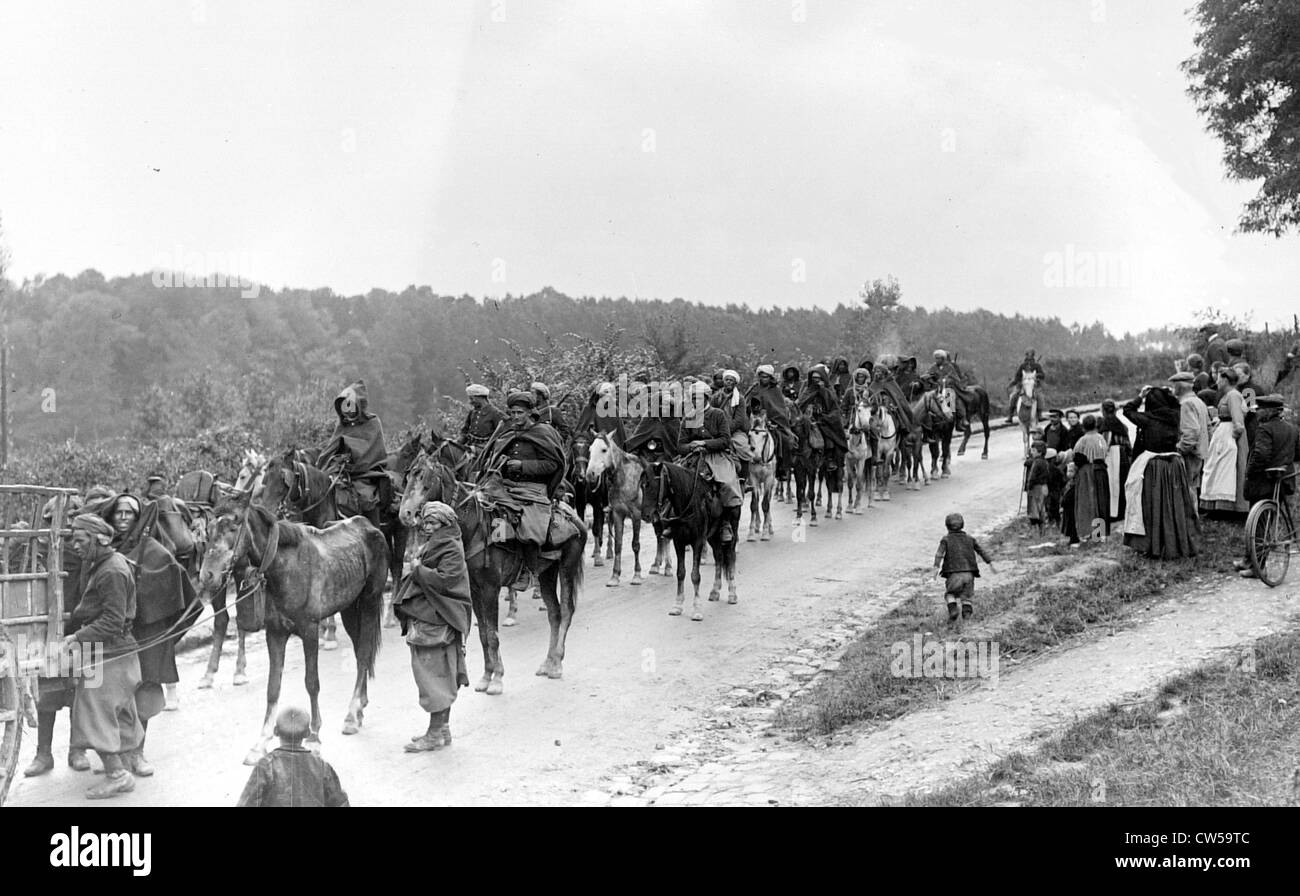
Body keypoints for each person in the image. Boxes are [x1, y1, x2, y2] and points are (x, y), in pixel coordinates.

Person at [101, 493, 201, 776]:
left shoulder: (157, 553)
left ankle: (138, 753)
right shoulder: (105, 548)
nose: (122, 518)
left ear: (138, 517)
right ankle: (117, 753)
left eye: (128, 514)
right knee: (114, 695)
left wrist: (165, 635)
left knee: (144, 694)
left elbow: (185, 601)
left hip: (148, 636)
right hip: (115, 636)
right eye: (117, 513)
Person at [64, 513, 143, 799]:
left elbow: (112, 621)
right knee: (117, 710)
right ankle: (119, 765)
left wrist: (76, 637)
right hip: (116, 651)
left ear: (99, 539)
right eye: (73, 539)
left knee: (92, 707)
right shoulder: (104, 564)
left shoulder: (111, 571)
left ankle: (117, 775)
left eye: (80, 539)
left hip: (113, 652)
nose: (75, 545)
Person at [393, 501, 471, 749]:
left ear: (445, 524)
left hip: (438, 617)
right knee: (440, 673)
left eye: (432, 522)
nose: (426, 527)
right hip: (437, 615)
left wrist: (418, 570)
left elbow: (447, 581)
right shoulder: (440, 542)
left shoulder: (449, 547)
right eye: (425, 522)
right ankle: (442, 729)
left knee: (433, 675)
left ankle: (434, 734)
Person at [24, 497, 89, 777]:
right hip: (45, 633)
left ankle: (78, 749)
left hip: (80, 629)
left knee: (81, 692)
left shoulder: (87, 552)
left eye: (73, 519)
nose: (68, 525)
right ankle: (43, 753)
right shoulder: (37, 552)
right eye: (61, 520)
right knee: (47, 694)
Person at [478, 391, 567, 591]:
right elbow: (494, 458)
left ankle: (529, 570)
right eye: (512, 412)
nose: (515, 416)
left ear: (529, 412)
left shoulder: (543, 433)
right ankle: (498, 560)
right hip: (507, 488)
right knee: (493, 515)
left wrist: (523, 465)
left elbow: (553, 465)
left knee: (528, 525)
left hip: (533, 489)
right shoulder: (508, 433)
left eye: (519, 412)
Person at [1121, 386, 1200, 560]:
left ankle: (1154, 544)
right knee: (1174, 505)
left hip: (1154, 466)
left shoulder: (1147, 419)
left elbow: (1127, 411)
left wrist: (1139, 397)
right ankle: (1175, 543)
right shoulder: (1175, 415)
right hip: (1173, 464)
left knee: (1152, 504)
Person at [236, 706, 350, 807]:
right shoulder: (322, 766)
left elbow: (246, 803)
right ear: (307, 733)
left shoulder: (266, 765)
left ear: (275, 731)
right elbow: (341, 803)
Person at [1237, 395, 1299, 577]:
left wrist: (1249, 472)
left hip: (1264, 480)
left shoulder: (1264, 429)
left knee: (1258, 523)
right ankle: (1248, 560)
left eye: (1260, 409)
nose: (1257, 412)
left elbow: (1261, 455)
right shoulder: (1293, 429)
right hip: (1283, 480)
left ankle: (1257, 567)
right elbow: (1297, 453)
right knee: (1262, 520)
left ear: (1270, 411)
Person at [678, 381, 743, 542]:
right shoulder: (689, 417)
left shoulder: (718, 414)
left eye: (699, 398)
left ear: (706, 398)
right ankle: (673, 520)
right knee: (675, 483)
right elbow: (680, 446)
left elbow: (725, 440)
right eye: (693, 398)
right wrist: (691, 446)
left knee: (727, 484)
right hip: (693, 458)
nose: (695, 401)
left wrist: (705, 443)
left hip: (716, 456)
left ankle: (726, 522)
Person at [318, 379, 389, 525]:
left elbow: (372, 451)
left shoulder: (373, 423)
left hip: (365, 473)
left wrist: (353, 458)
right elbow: (330, 449)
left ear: (358, 405)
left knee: (367, 498)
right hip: (341, 471)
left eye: (349, 405)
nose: (347, 411)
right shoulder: (342, 426)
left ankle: (374, 533)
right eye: (343, 407)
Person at [1200, 366, 1250, 514]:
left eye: (1219, 378)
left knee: (1228, 469)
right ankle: (1218, 506)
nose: (1217, 381)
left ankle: (1230, 507)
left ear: (1226, 380)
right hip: (1224, 432)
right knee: (1218, 469)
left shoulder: (1233, 395)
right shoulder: (1227, 395)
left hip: (1230, 436)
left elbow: (1238, 422)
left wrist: (1230, 438)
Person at [933, 513, 996, 622]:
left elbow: (939, 554)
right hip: (969, 573)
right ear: (963, 525)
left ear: (946, 526)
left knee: (950, 594)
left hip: (953, 573)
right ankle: (966, 616)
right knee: (966, 597)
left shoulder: (946, 539)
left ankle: (953, 610)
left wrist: (935, 568)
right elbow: (981, 551)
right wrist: (990, 562)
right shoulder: (970, 539)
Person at [1065, 415, 1110, 546]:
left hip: (1088, 474)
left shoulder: (1082, 441)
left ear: (1084, 426)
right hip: (1102, 471)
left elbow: (1077, 458)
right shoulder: (1101, 438)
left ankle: (1089, 532)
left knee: (1089, 503)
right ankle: (1100, 535)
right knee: (1101, 503)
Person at [744, 364, 796, 466]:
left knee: (785, 441)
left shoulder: (775, 390)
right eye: (762, 377)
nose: (764, 379)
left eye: (766, 377)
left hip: (774, 422)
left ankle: (781, 467)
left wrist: (772, 421)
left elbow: (779, 408)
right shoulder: (754, 389)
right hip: (753, 422)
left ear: (770, 377)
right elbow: (746, 404)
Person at [1172, 371, 1211, 503]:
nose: (1173, 389)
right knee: (1192, 489)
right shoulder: (1198, 401)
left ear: (1179, 387)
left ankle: (1189, 522)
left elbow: (1191, 432)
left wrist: (1180, 449)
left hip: (1190, 454)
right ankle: (1193, 521)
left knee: (1186, 490)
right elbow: (1209, 427)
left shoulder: (1186, 404)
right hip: (1200, 452)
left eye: (1174, 385)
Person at [1097, 399, 1133, 523]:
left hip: (1112, 457)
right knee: (1121, 483)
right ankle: (1122, 511)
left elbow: (1104, 444)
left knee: (1112, 485)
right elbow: (1128, 445)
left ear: (1103, 411)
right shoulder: (1121, 425)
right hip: (1122, 456)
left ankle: (1113, 513)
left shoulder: (1106, 424)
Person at [713, 370, 751, 484]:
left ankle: (743, 479)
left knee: (743, 448)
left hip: (735, 431)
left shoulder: (740, 399)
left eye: (731, 380)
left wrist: (726, 430)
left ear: (735, 383)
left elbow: (739, 419)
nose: (729, 382)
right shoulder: (715, 397)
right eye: (727, 380)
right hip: (717, 430)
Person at [1005, 350, 1046, 423]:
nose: (1029, 357)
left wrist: (1037, 376)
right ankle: (1010, 415)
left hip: (1034, 385)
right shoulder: (1022, 366)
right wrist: (1014, 383)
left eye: (1031, 356)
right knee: (1013, 396)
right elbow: (1017, 376)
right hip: (1023, 385)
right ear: (1026, 356)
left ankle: (1039, 414)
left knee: (1040, 396)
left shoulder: (1037, 365)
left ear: (1033, 356)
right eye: (1028, 355)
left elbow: (1042, 375)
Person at [460, 384, 504, 452]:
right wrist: (458, 442)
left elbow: (501, 435)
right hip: (470, 446)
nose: (470, 402)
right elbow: (465, 430)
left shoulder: (495, 413)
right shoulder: (472, 412)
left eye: (472, 398)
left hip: (486, 450)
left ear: (480, 398)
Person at [1024, 441, 1051, 535]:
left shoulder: (1036, 462)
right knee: (1042, 509)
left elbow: (1032, 476)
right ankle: (1042, 531)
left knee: (1034, 511)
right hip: (1044, 486)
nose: (1032, 452)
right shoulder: (1045, 462)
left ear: (1039, 452)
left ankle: (1035, 532)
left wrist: (1028, 486)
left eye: (1034, 450)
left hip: (1036, 488)